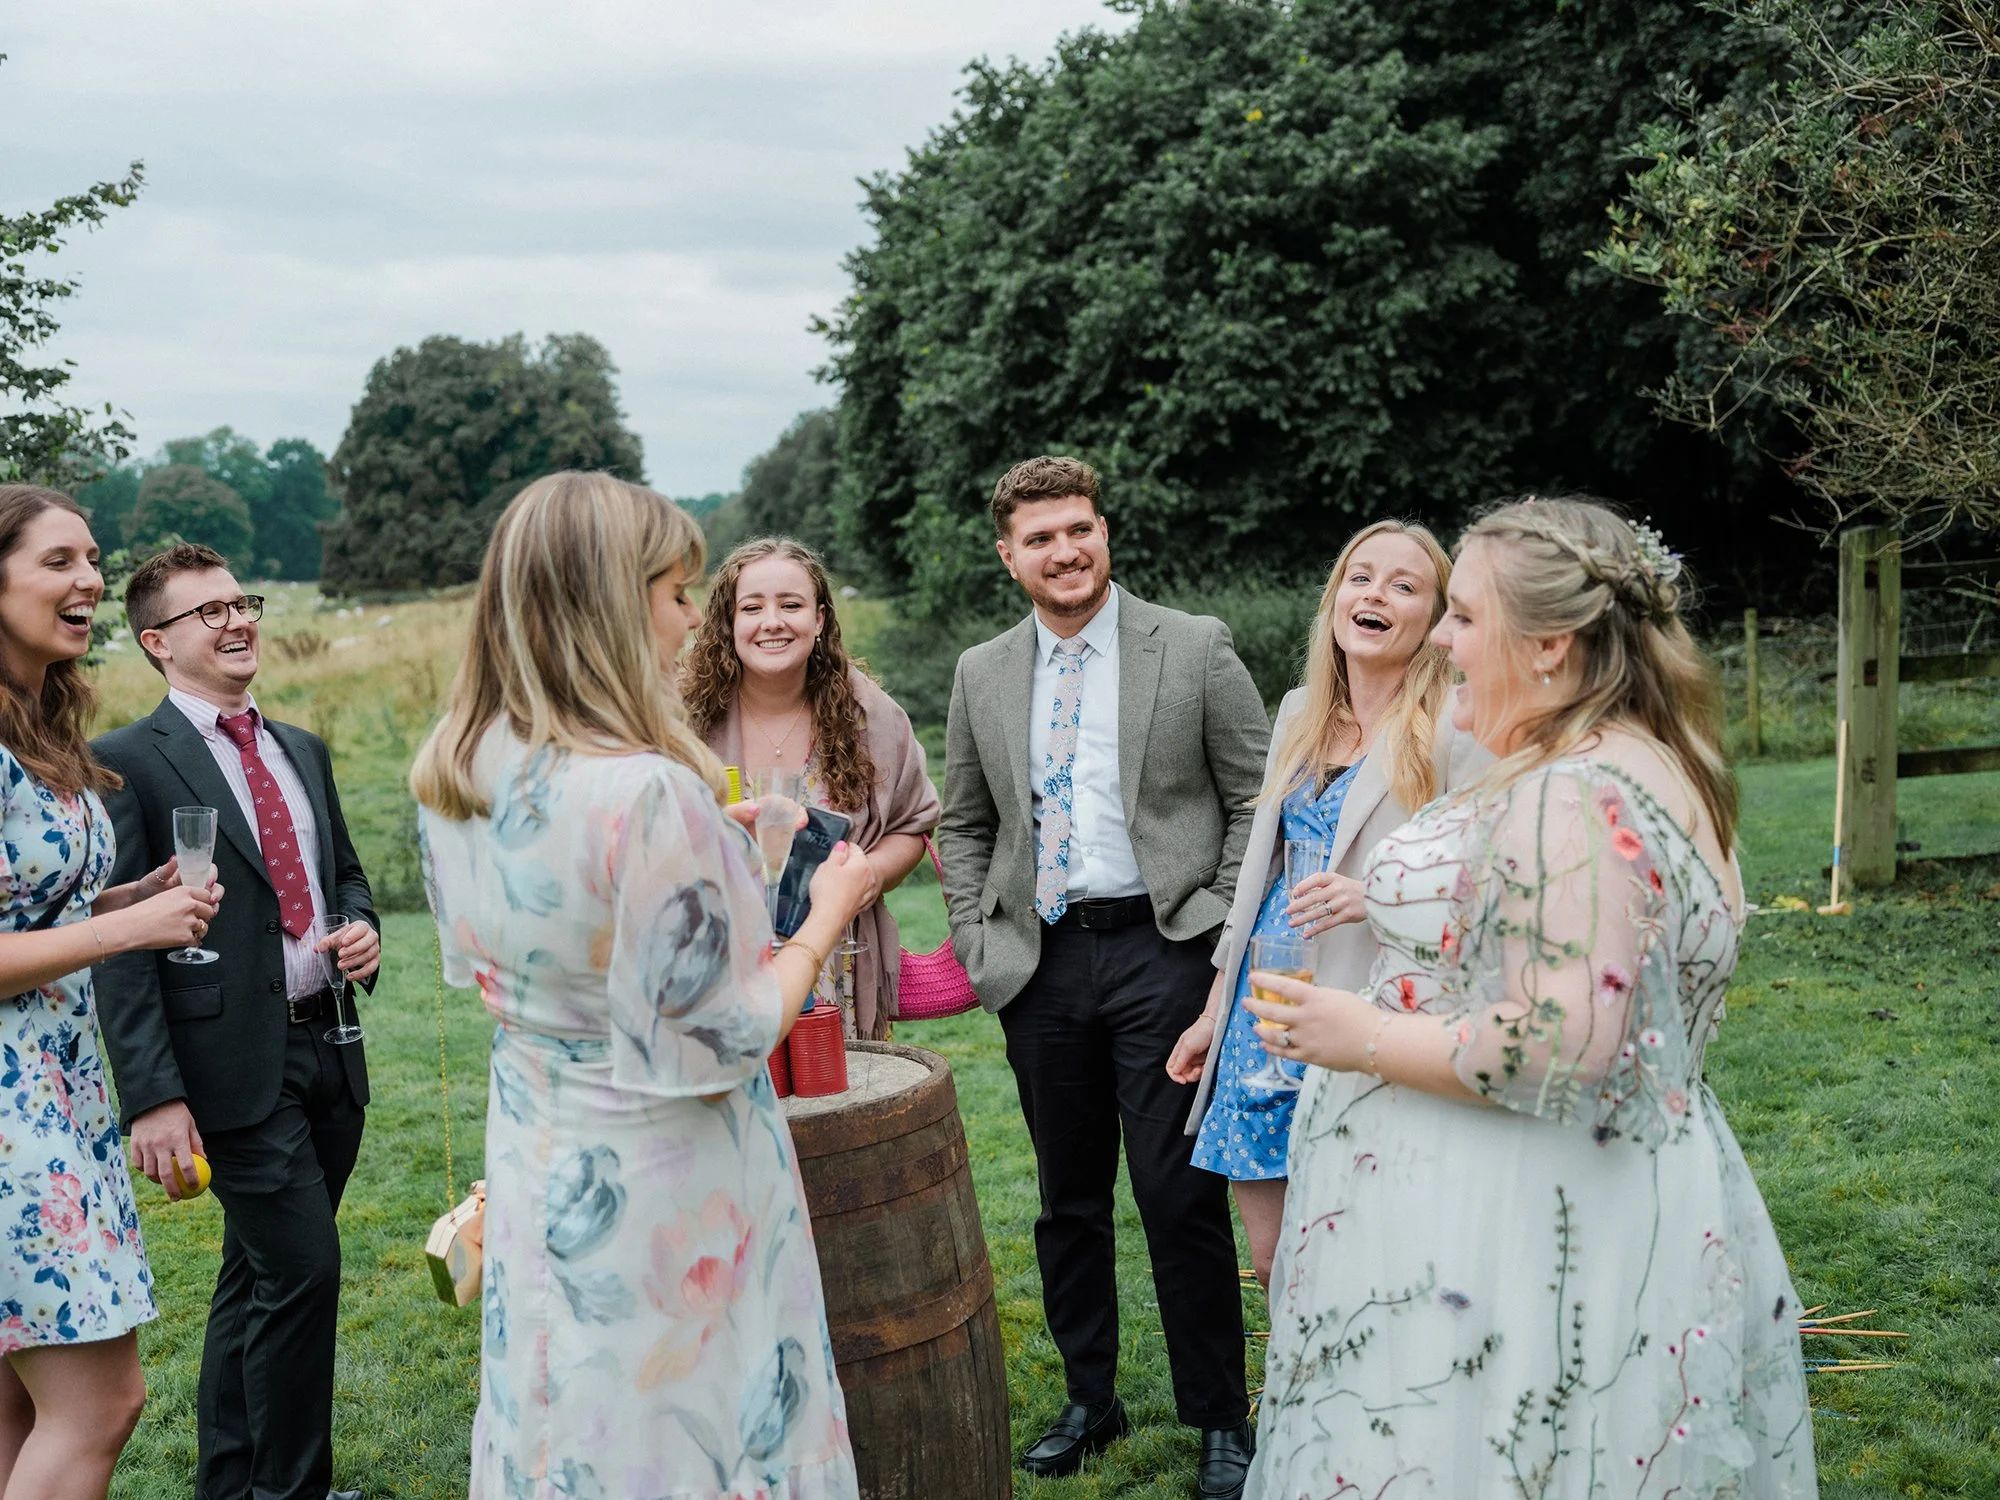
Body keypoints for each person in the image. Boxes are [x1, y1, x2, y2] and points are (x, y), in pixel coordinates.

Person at [1240, 497, 1816, 1498]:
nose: (1445, 642)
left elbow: (1556, 1043)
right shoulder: (1670, 763)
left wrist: (1357, 1031)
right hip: (1634, 1186)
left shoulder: (1572, 793)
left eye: (1462, 617)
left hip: (1511, 1225)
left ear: (1549, 646)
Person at [412, 472, 879, 1499]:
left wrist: (733, 869)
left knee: (569, 1414)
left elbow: (520, 963)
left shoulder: (457, 766)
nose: (686, 621)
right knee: (687, 1427)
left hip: (540, 1159)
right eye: (676, 593)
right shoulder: (647, 789)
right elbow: (724, 1036)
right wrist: (823, 909)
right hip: (665, 1181)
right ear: (612, 605)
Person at [937, 456, 1270, 1500]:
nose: (1063, 550)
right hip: (1039, 962)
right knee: (1065, 1199)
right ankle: (1091, 1400)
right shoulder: (979, 671)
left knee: (1179, 1198)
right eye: (1039, 538)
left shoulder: (1193, 644)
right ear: (1008, 556)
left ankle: (1217, 1415)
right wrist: (978, 941)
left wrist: (1214, 924)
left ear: (1103, 533)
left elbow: (1257, 794)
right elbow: (960, 821)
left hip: (1164, 948)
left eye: (1077, 528)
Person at [93, 542, 381, 1500]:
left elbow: (344, 874)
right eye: (208, 612)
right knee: (304, 1272)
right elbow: (124, 948)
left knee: (254, 1278)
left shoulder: (303, 747)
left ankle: (232, 1484)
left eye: (241, 602)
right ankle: (290, 1492)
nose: (237, 621)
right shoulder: (127, 764)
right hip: (227, 1067)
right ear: (157, 644)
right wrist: (154, 1096)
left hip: (328, 1046)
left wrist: (362, 929)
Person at [1168, 520, 1482, 1290]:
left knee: (1363, 1246)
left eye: (1404, 585)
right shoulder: (1299, 711)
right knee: (1276, 1261)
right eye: (1360, 576)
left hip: (1374, 1008)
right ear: (1336, 597)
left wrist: (1378, 898)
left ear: (1436, 616)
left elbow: (1491, 875)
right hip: (1265, 1003)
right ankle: (1301, 1408)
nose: (1375, 594)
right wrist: (1216, 1008)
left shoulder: (1457, 725)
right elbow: (1256, 878)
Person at [0, 487, 222, 1500]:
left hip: (59, 1088)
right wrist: (127, 928)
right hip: (9, 1114)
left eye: (92, 558)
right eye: (58, 561)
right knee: (99, 1402)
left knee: (18, 1409)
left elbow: (37, 911)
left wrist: (133, 892)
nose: (90, 578)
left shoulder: (40, 722)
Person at [682, 536, 939, 1040]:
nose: (772, 621)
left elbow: (912, 826)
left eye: (791, 605)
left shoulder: (873, 718)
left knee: (834, 1110)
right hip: (717, 966)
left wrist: (869, 873)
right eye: (752, 607)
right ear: (728, 622)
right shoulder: (683, 718)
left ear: (819, 619)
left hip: (838, 966)